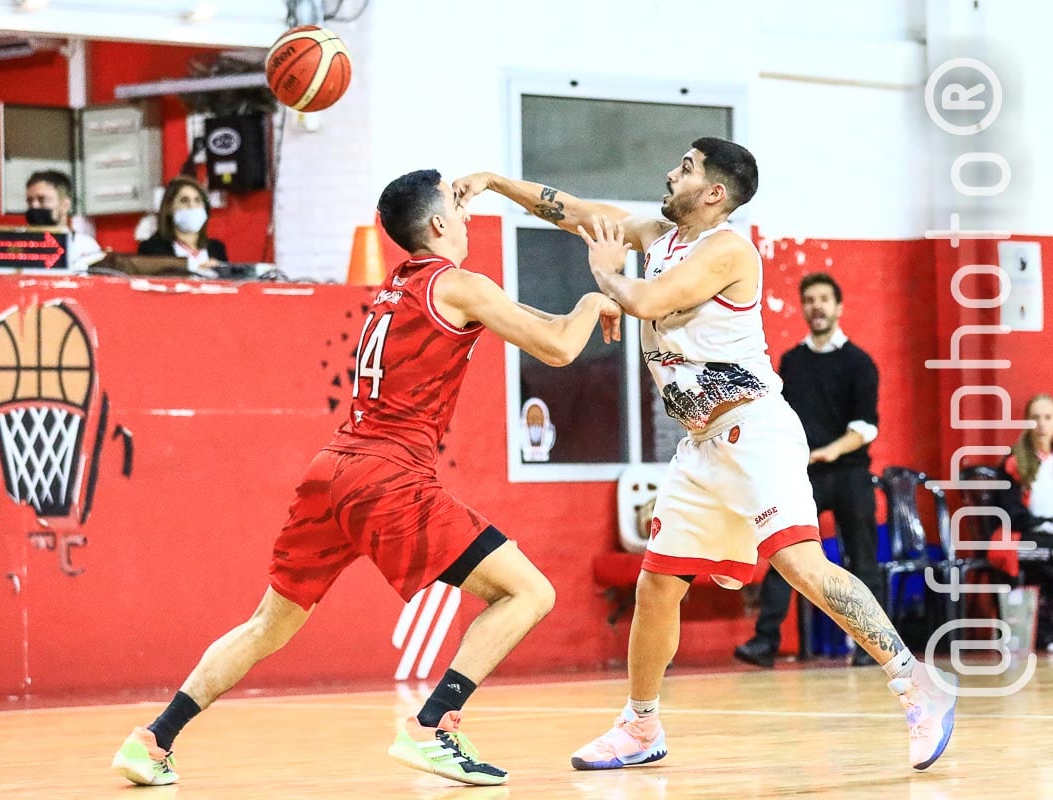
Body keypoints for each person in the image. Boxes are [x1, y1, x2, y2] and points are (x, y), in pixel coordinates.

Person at [453, 137, 957, 772]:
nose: (671, 172)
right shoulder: (659, 236)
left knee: (801, 565)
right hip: (701, 446)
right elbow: (575, 211)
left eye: (686, 167)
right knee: (657, 585)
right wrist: (496, 182)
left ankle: (916, 683)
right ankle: (640, 725)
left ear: (714, 192)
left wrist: (607, 277)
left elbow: (645, 301)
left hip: (757, 432)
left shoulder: (728, 250)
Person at [111, 169, 623, 787]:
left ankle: (153, 739)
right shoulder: (458, 284)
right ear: (439, 224)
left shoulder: (399, 286)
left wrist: (582, 307)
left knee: (268, 624)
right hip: (390, 476)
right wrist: (594, 298)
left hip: (333, 470)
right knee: (529, 593)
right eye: (457, 207)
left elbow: (513, 316)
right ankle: (433, 727)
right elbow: (559, 349)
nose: (466, 217)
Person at [735, 272, 882, 669]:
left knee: (863, 559)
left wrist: (828, 452)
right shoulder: (792, 362)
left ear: (838, 307)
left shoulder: (859, 363)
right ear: (803, 308)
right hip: (803, 475)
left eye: (824, 299)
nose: (817, 306)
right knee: (786, 554)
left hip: (850, 473)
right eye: (810, 300)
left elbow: (866, 427)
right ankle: (765, 642)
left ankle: (872, 646)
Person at [1000, 393, 1053, 645]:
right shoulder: (1013, 463)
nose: (1041, 424)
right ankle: (1044, 631)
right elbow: (1010, 513)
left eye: (1048, 417)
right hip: (1024, 536)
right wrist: (1042, 522)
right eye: (1035, 418)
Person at [137, 176, 228, 275]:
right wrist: (197, 272)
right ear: (169, 208)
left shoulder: (217, 248)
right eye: (184, 200)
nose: (192, 206)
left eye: (197, 200)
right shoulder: (152, 248)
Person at [24, 170, 103, 271]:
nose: (34, 206)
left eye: (42, 200)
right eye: (30, 201)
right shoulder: (22, 247)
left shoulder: (85, 246)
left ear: (65, 205)